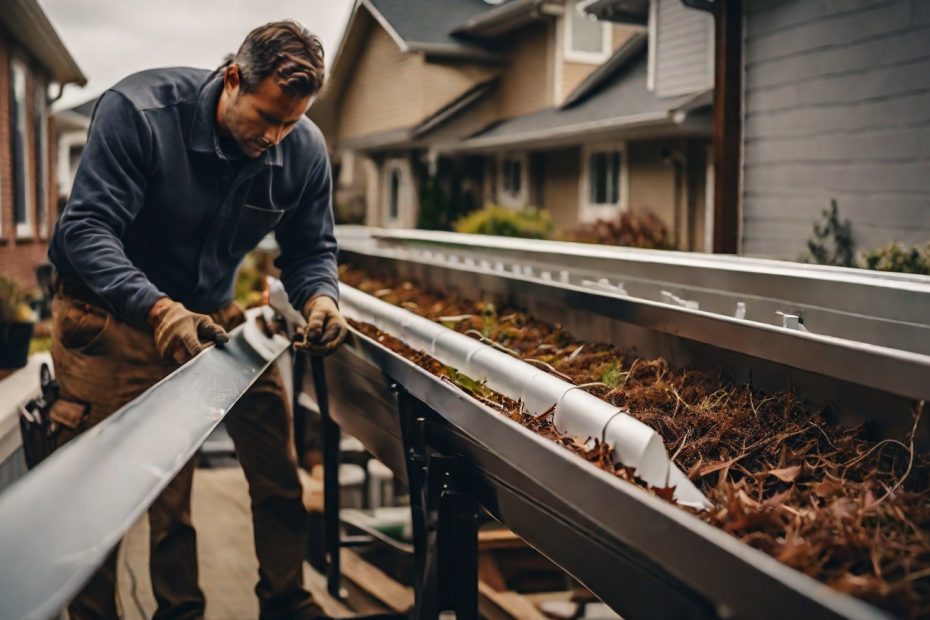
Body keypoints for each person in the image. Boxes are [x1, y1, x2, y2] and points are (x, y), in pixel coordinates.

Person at [47, 20, 346, 620]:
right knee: (102, 494)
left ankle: (286, 602)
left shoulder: (302, 148)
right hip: (109, 313)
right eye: (265, 117)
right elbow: (85, 230)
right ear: (233, 78)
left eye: (290, 122)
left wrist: (321, 299)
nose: (275, 137)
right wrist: (157, 309)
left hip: (211, 314)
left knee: (276, 466)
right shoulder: (139, 113)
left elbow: (311, 250)